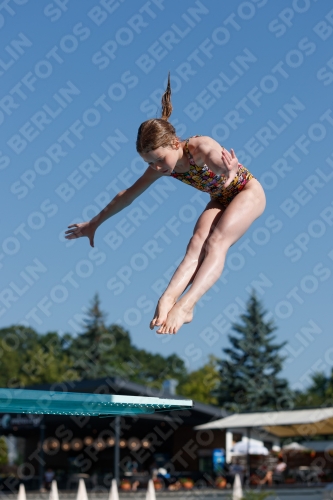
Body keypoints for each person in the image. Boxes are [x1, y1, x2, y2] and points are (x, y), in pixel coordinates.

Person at [65, 74, 266, 334]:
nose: (156, 167)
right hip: (220, 199)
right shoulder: (163, 168)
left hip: (247, 191)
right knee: (196, 244)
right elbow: (126, 195)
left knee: (216, 242)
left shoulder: (200, 147)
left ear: (174, 143)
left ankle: (186, 305)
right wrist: (95, 222)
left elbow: (219, 163)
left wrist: (228, 172)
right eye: (150, 163)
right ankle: (167, 299)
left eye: (159, 159)